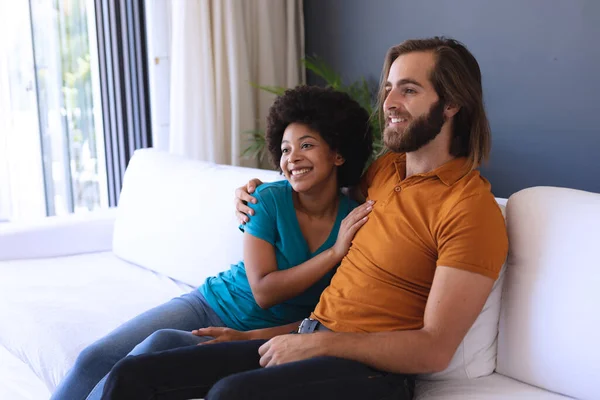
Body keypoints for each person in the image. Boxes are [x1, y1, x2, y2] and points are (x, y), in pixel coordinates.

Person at [99, 36, 509, 400]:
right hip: (309, 337)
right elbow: (320, 192)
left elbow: (433, 350)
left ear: (452, 103)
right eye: (388, 89)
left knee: (231, 394)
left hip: (373, 375)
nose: (388, 104)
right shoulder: (385, 172)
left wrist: (319, 345)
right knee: (133, 376)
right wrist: (254, 194)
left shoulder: (470, 211)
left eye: (409, 90)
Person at [50, 85, 374, 400]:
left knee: (150, 351)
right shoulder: (266, 198)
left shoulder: (354, 222)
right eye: (286, 148)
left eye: (307, 145)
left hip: (256, 334)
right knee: (95, 357)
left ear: (338, 154)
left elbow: (323, 317)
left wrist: (250, 337)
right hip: (209, 303)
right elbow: (263, 290)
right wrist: (333, 253)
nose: (293, 158)